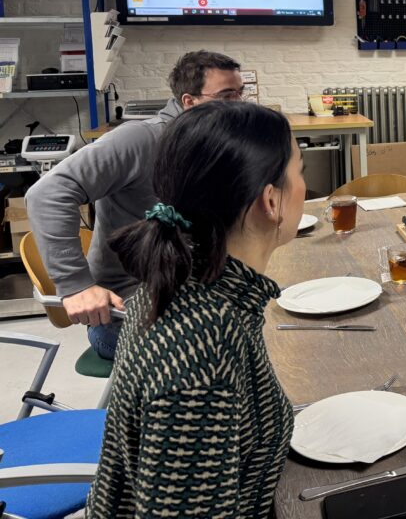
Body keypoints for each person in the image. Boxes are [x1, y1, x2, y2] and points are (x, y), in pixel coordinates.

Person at [86, 101, 303, 517]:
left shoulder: (188, 281)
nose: (304, 186)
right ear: (271, 201)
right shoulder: (205, 350)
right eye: (301, 171)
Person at [25, 50, 243, 359]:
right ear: (189, 102)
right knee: (242, 347)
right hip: (127, 310)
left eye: (240, 94)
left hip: (191, 290)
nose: (239, 106)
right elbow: (47, 194)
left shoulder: (210, 143)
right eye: (226, 96)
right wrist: (75, 285)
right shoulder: (141, 139)